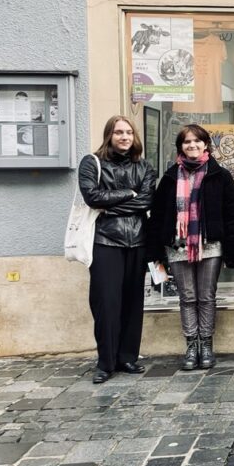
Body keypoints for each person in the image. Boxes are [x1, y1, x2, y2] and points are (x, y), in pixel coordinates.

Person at [147, 125, 234, 371]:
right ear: (181, 146)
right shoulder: (170, 178)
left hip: (211, 246)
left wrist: (231, 249)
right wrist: (156, 252)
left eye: (197, 141)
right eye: (187, 142)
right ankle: (191, 346)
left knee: (206, 297)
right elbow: (157, 216)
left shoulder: (220, 175)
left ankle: (206, 346)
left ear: (205, 144)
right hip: (178, 247)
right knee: (187, 297)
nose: (192, 145)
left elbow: (232, 214)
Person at [79, 115, 157, 384]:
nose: (125, 137)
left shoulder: (144, 167)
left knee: (133, 303)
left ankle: (127, 357)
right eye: (118, 132)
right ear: (109, 135)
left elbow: (147, 201)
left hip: (137, 240)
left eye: (129, 133)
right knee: (106, 303)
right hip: (105, 241)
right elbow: (92, 197)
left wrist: (110, 206)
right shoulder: (92, 163)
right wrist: (129, 194)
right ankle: (106, 362)